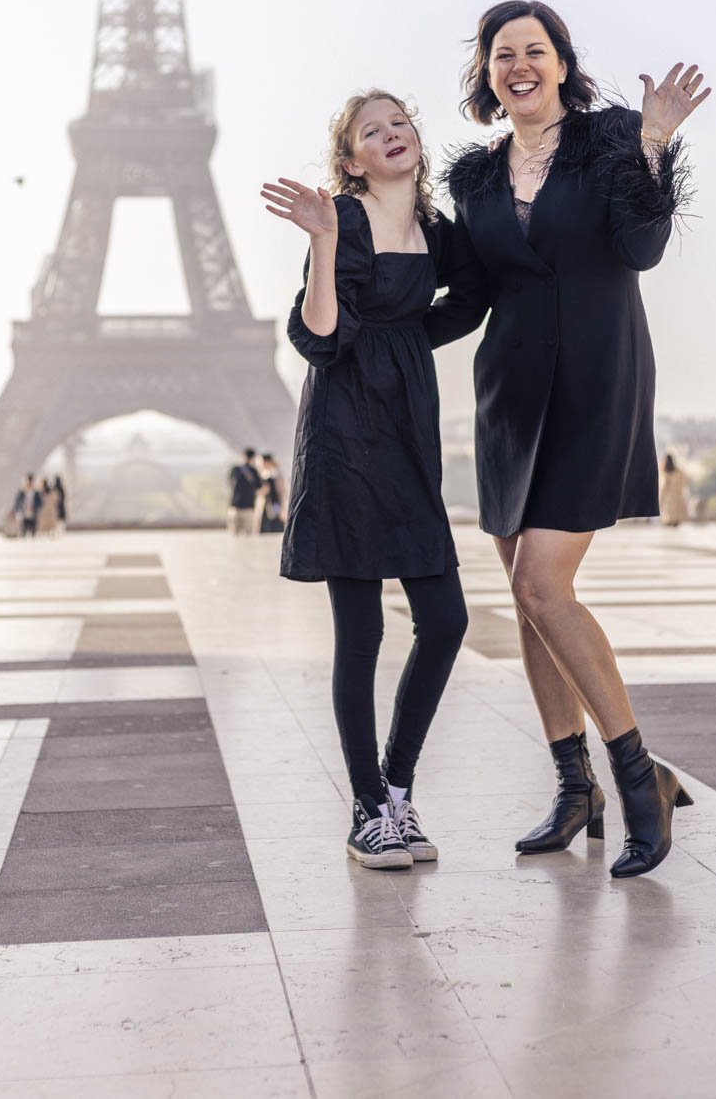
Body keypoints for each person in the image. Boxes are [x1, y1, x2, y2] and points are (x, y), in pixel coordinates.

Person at [427, 0, 709, 879]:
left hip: (597, 378)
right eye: (502, 53)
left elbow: (642, 248)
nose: (519, 65)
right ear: (487, 73)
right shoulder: (475, 179)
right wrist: (377, 332)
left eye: (534, 50)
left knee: (541, 585)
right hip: (510, 394)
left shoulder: (612, 137)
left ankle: (638, 777)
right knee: (526, 599)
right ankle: (572, 784)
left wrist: (655, 142)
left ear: (561, 63)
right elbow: (472, 298)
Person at [262, 90, 469, 870]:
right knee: (363, 633)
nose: (390, 135)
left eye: (398, 122)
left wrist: (406, 338)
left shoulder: (437, 231)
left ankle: (398, 786)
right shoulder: (343, 219)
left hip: (407, 430)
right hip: (346, 434)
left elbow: (471, 302)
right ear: (351, 160)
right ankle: (367, 809)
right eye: (369, 131)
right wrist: (321, 243)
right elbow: (318, 336)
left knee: (445, 620)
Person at [227, 449, 262, 535]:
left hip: (235, 504)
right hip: (248, 506)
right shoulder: (254, 471)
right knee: (248, 533)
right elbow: (258, 486)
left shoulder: (236, 469)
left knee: (235, 534)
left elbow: (231, 484)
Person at [256, 453, 286, 534]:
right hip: (266, 505)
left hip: (275, 504)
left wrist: (281, 508)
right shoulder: (264, 474)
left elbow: (281, 492)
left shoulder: (276, 473)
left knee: (275, 524)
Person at [659, 453, 689, 527]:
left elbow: (663, 487)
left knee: (669, 520)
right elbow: (684, 482)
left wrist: (661, 500)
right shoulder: (679, 472)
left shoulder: (665, 473)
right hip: (677, 498)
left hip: (669, 499)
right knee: (675, 520)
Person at [13, 473, 41, 537]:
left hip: (33, 513)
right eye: (28, 481)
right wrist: (17, 509)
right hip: (24, 512)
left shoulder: (36, 492)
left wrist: (35, 507)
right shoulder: (22, 491)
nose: (29, 483)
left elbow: (40, 503)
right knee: (23, 531)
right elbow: (17, 501)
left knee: (33, 532)